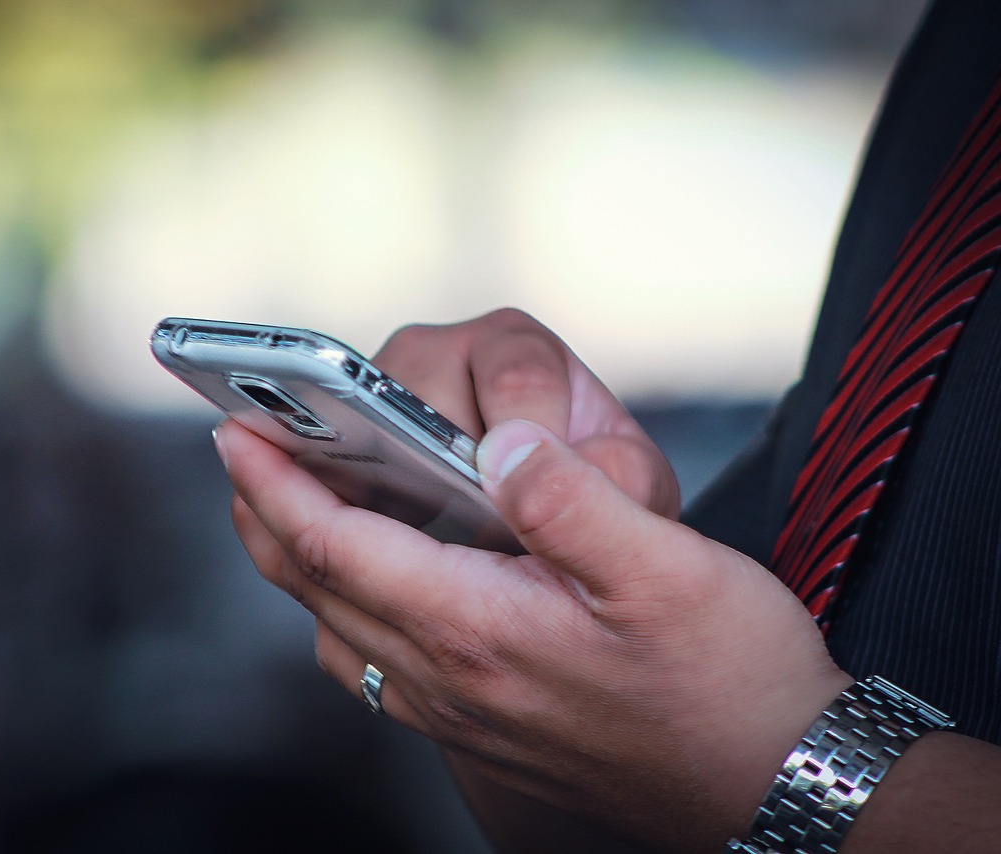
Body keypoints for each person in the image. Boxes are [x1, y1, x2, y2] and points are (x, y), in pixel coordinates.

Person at [216, 0, 1001, 851]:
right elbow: (631, 806)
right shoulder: (963, 52)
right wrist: (510, 654)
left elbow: (718, 767)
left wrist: (771, 761)